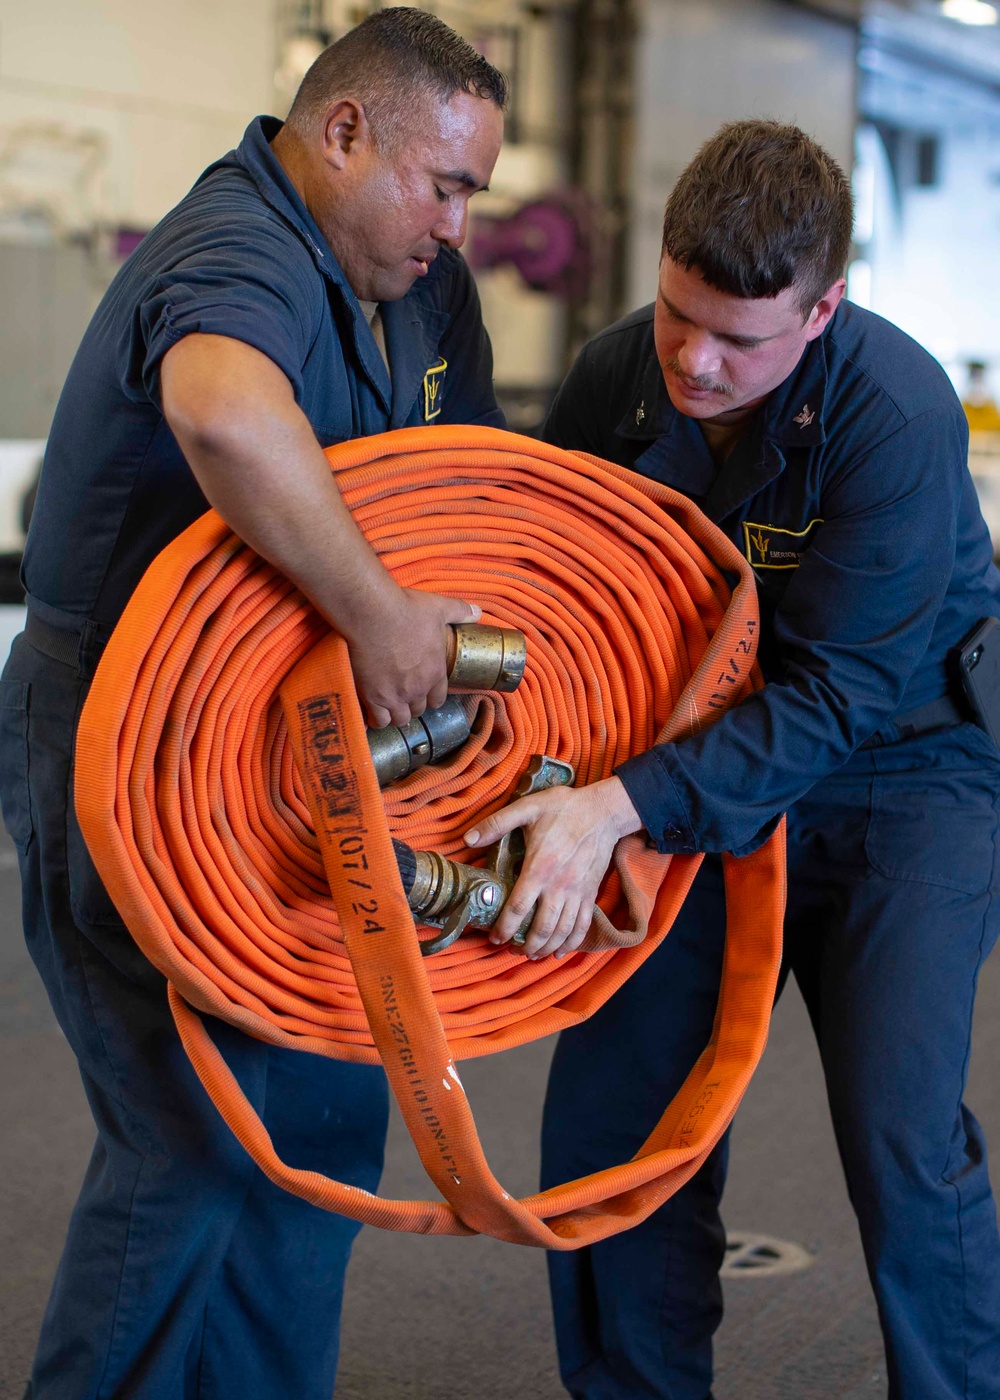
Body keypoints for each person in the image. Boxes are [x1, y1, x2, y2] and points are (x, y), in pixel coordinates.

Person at [0, 10, 505, 1398]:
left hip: (292, 743)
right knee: (193, 1139)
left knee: (328, 1123)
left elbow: (460, 480)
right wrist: (384, 616)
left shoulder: (419, 281)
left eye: (476, 191)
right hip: (122, 733)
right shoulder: (239, 244)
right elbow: (225, 411)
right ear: (342, 133)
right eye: (444, 183)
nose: (461, 224)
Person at [468, 121, 1000, 1399]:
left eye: (740, 339)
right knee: (617, 1110)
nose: (697, 362)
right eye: (677, 316)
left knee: (894, 1126)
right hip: (689, 745)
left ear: (821, 310)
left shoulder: (898, 412)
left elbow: (839, 693)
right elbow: (561, 601)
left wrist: (621, 805)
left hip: (902, 768)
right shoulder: (614, 379)